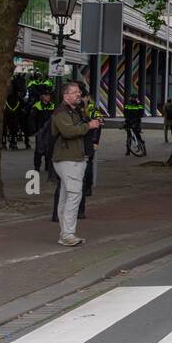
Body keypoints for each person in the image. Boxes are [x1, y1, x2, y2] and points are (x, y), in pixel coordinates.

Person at [50, 81, 101, 246]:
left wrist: (92, 122)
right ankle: (67, 234)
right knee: (74, 195)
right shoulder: (61, 112)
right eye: (74, 92)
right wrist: (89, 126)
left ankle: (65, 233)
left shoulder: (76, 110)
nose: (78, 94)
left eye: (79, 92)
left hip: (75, 158)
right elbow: (69, 131)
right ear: (66, 95)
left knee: (66, 196)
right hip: (68, 158)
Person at [30, 88, 56, 174]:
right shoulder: (36, 106)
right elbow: (32, 120)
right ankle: (37, 166)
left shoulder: (52, 106)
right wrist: (35, 130)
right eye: (46, 95)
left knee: (49, 149)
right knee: (39, 149)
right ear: (42, 97)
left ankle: (47, 166)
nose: (48, 97)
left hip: (50, 131)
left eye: (49, 95)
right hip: (40, 131)